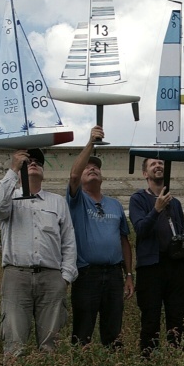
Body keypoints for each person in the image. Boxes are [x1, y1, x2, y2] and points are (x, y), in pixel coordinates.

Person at [0, 148, 77, 357]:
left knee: (51, 345)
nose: (34, 163)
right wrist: (13, 169)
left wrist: (65, 278)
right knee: (14, 343)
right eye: (28, 162)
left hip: (51, 278)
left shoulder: (57, 202)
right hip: (16, 276)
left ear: (44, 172)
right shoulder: (10, 198)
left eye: (38, 162)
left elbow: (68, 242)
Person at [67, 126, 134, 348]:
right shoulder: (77, 200)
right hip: (87, 275)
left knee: (113, 332)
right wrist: (91, 143)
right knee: (82, 331)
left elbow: (124, 240)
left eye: (96, 167)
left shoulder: (114, 204)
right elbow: (73, 176)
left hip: (114, 275)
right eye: (87, 167)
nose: (92, 169)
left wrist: (129, 275)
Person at [129, 158, 184, 357]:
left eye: (161, 163)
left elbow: (182, 233)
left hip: (175, 265)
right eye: (153, 164)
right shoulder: (138, 199)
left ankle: (178, 359)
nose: (158, 166)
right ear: (145, 174)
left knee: (178, 317)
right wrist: (156, 209)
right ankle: (149, 361)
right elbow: (141, 229)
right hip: (150, 266)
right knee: (151, 317)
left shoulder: (175, 203)